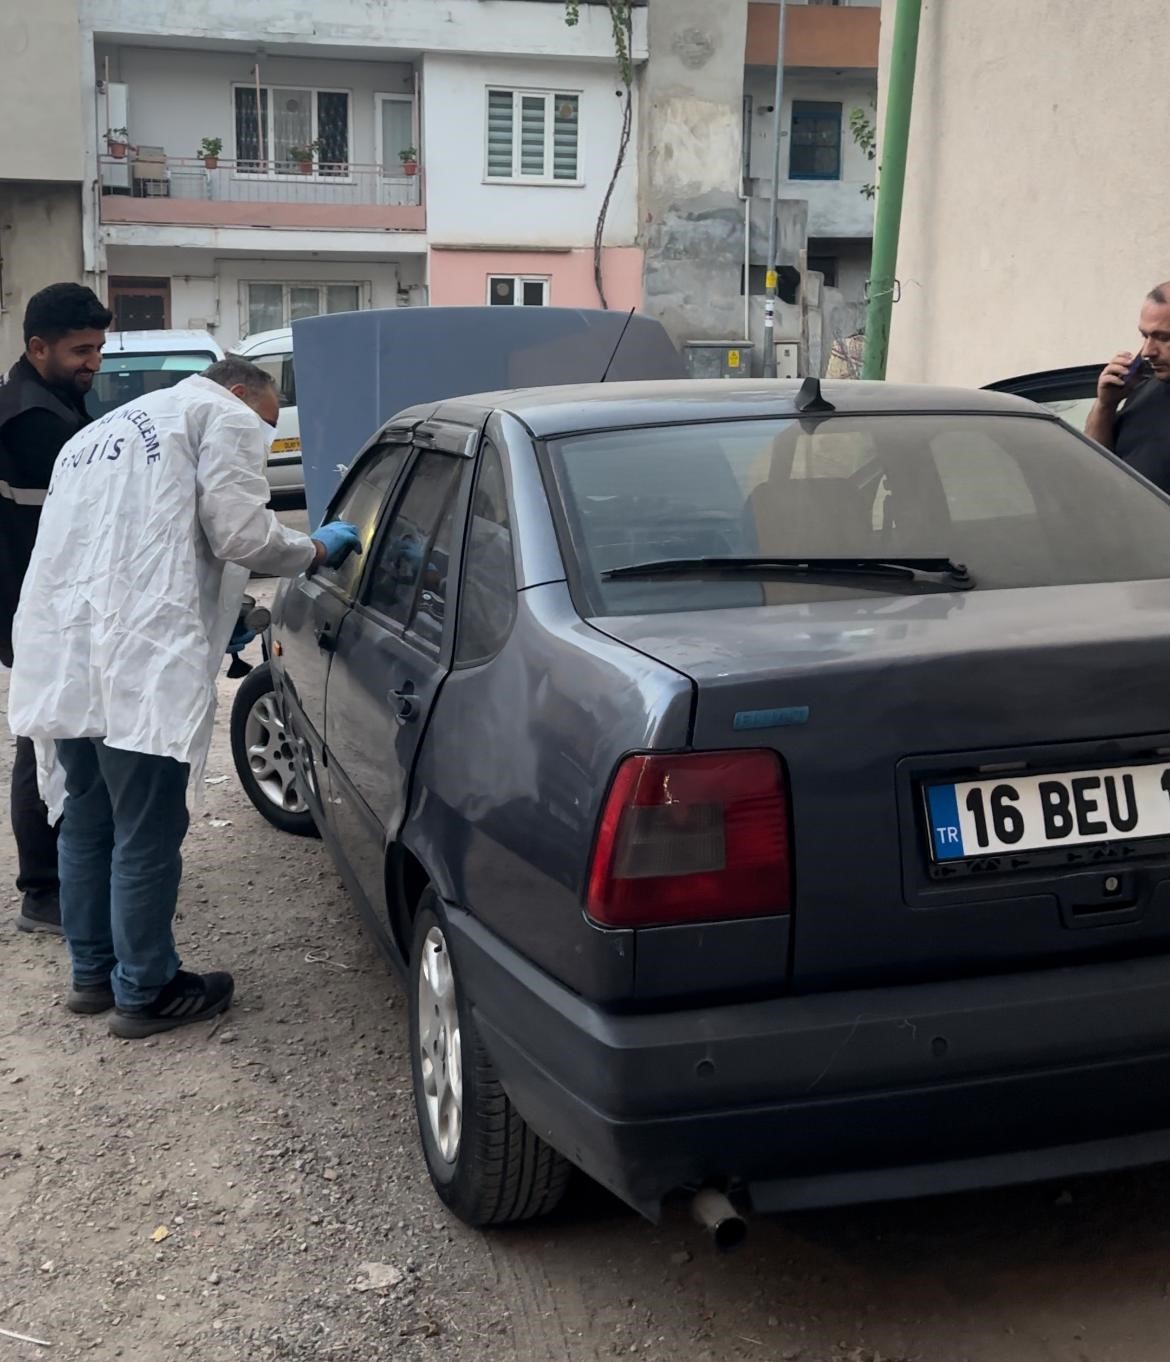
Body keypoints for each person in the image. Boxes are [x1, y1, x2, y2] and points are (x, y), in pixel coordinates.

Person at [7, 356, 361, 1039]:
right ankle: (145, 990)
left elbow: (132, 537)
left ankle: (91, 974)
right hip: (139, 657)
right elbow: (242, 534)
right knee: (147, 829)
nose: (261, 439)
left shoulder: (99, 431)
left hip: (65, 648)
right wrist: (315, 548)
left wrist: (213, 609)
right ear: (239, 393)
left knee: (87, 819)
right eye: (264, 425)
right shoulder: (222, 414)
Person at [0, 283, 112, 936]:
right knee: (43, 740)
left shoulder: (50, 400)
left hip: (42, 606)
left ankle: (68, 870)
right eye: (80, 350)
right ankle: (43, 891)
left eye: (98, 348)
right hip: (35, 609)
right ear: (37, 347)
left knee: (54, 735)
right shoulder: (33, 421)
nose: (92, 362)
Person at [1086, 282, 1170, 490]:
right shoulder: (1143, 392)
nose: (1148, 351)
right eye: (1145, 336)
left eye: (1164, 337)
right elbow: (1094, 467)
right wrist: (1105, 405)